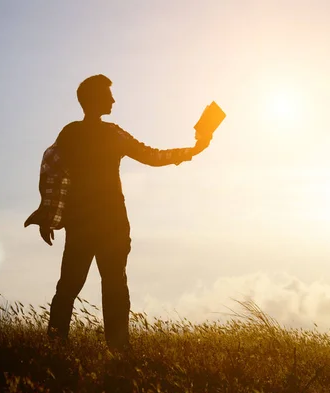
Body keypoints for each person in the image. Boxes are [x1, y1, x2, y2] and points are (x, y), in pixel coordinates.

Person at [24, 74, 213, 351]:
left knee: (68, 287)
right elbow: (152, 156)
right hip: (111, 224)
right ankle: (118, 351)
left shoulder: (70, 134)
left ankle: (55, 347)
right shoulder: (112, 134)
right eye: (108, 94)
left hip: (82, 224)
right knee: (114, 287)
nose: (113, 99)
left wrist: (48, 214)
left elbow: (50, 171)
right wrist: (193, 150)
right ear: (95, 99)